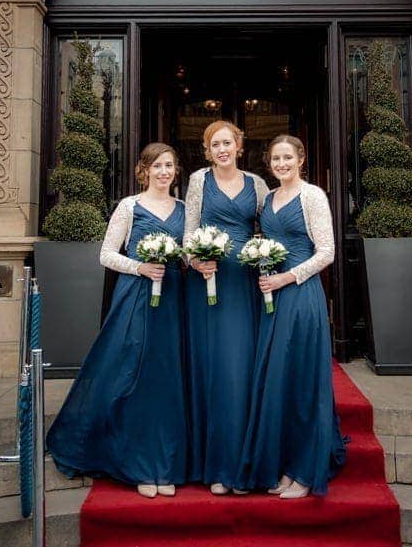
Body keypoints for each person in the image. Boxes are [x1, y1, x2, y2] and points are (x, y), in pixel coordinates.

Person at [47, 143, 188, 498]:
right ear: (144, 171)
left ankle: (164, 463)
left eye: (169, 165)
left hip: (173, 299)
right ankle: (138, 463)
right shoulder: (129, 206)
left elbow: (187, 254)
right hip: (136, 297)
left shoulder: (185, 210)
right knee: (134, 375)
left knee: (167, 379)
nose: (163, 172)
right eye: (156, 166)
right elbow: (106, 254)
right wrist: (140, 267)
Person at [235, 134, 346, 497]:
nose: (281, 163)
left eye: (287, 157)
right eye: (275, 158)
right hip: (272, 297)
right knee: (277, 380)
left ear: (301, 159)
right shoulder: (268, 198)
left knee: (301, 380)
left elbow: (326, 251)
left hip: (300, 294)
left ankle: (304, 470)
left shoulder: (312, 195)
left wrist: (287, 276)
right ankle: (284, 465)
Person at [184, 121, 269, 494]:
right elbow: (189, 231)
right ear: (207, 150)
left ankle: (247, 461)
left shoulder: (258, 184)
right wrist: (195, 261)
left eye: (227, 143)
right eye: (214, 144)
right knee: (217, 369)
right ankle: (217, 464)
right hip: (210, 285)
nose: (221, 149)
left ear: (239, 146)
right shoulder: (198, 181)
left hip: (248, 285)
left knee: (245, 369)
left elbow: (269, 228)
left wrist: (267, 258)